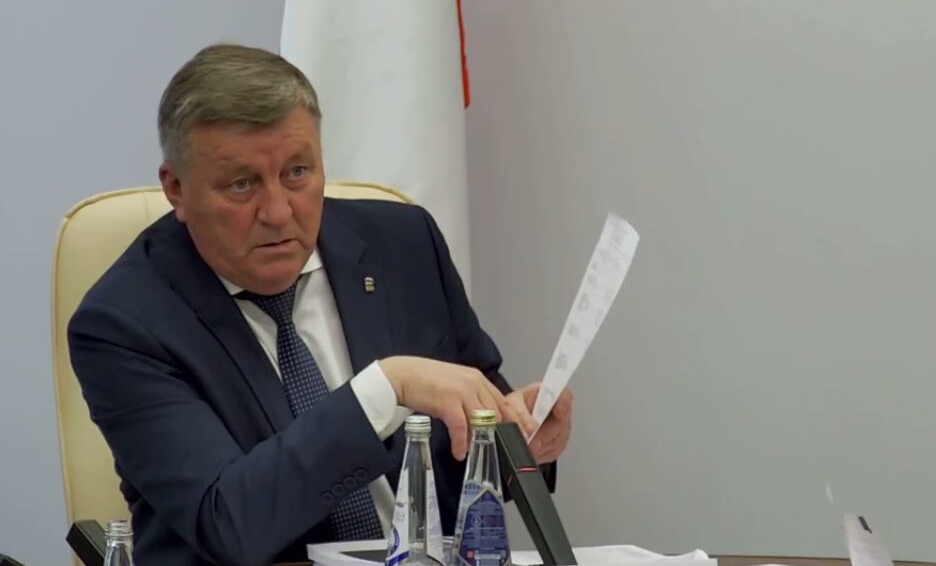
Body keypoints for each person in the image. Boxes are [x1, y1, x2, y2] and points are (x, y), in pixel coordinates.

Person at [68, 44, 574, 566]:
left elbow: (471, 432)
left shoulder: (403, 243)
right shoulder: (123, 324)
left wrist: (518, 438)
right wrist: (384, 388)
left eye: (297, 173)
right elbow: (228, 524)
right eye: (242, 185)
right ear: (175, 188)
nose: (278, 211)